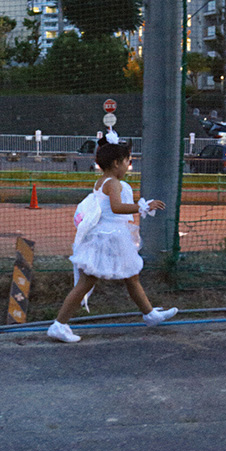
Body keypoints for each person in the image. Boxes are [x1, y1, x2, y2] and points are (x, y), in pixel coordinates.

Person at [47, 133, 178, 343]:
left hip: (109, 235)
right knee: (87, 282)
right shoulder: (113, 183)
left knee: (131, 276)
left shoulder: (103, 181)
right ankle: (59, 324)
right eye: (128, 161)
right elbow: (117, 208)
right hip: (108, 237)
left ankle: (150, 314)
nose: (129, 165)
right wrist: (143, 206)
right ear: (117, 163)